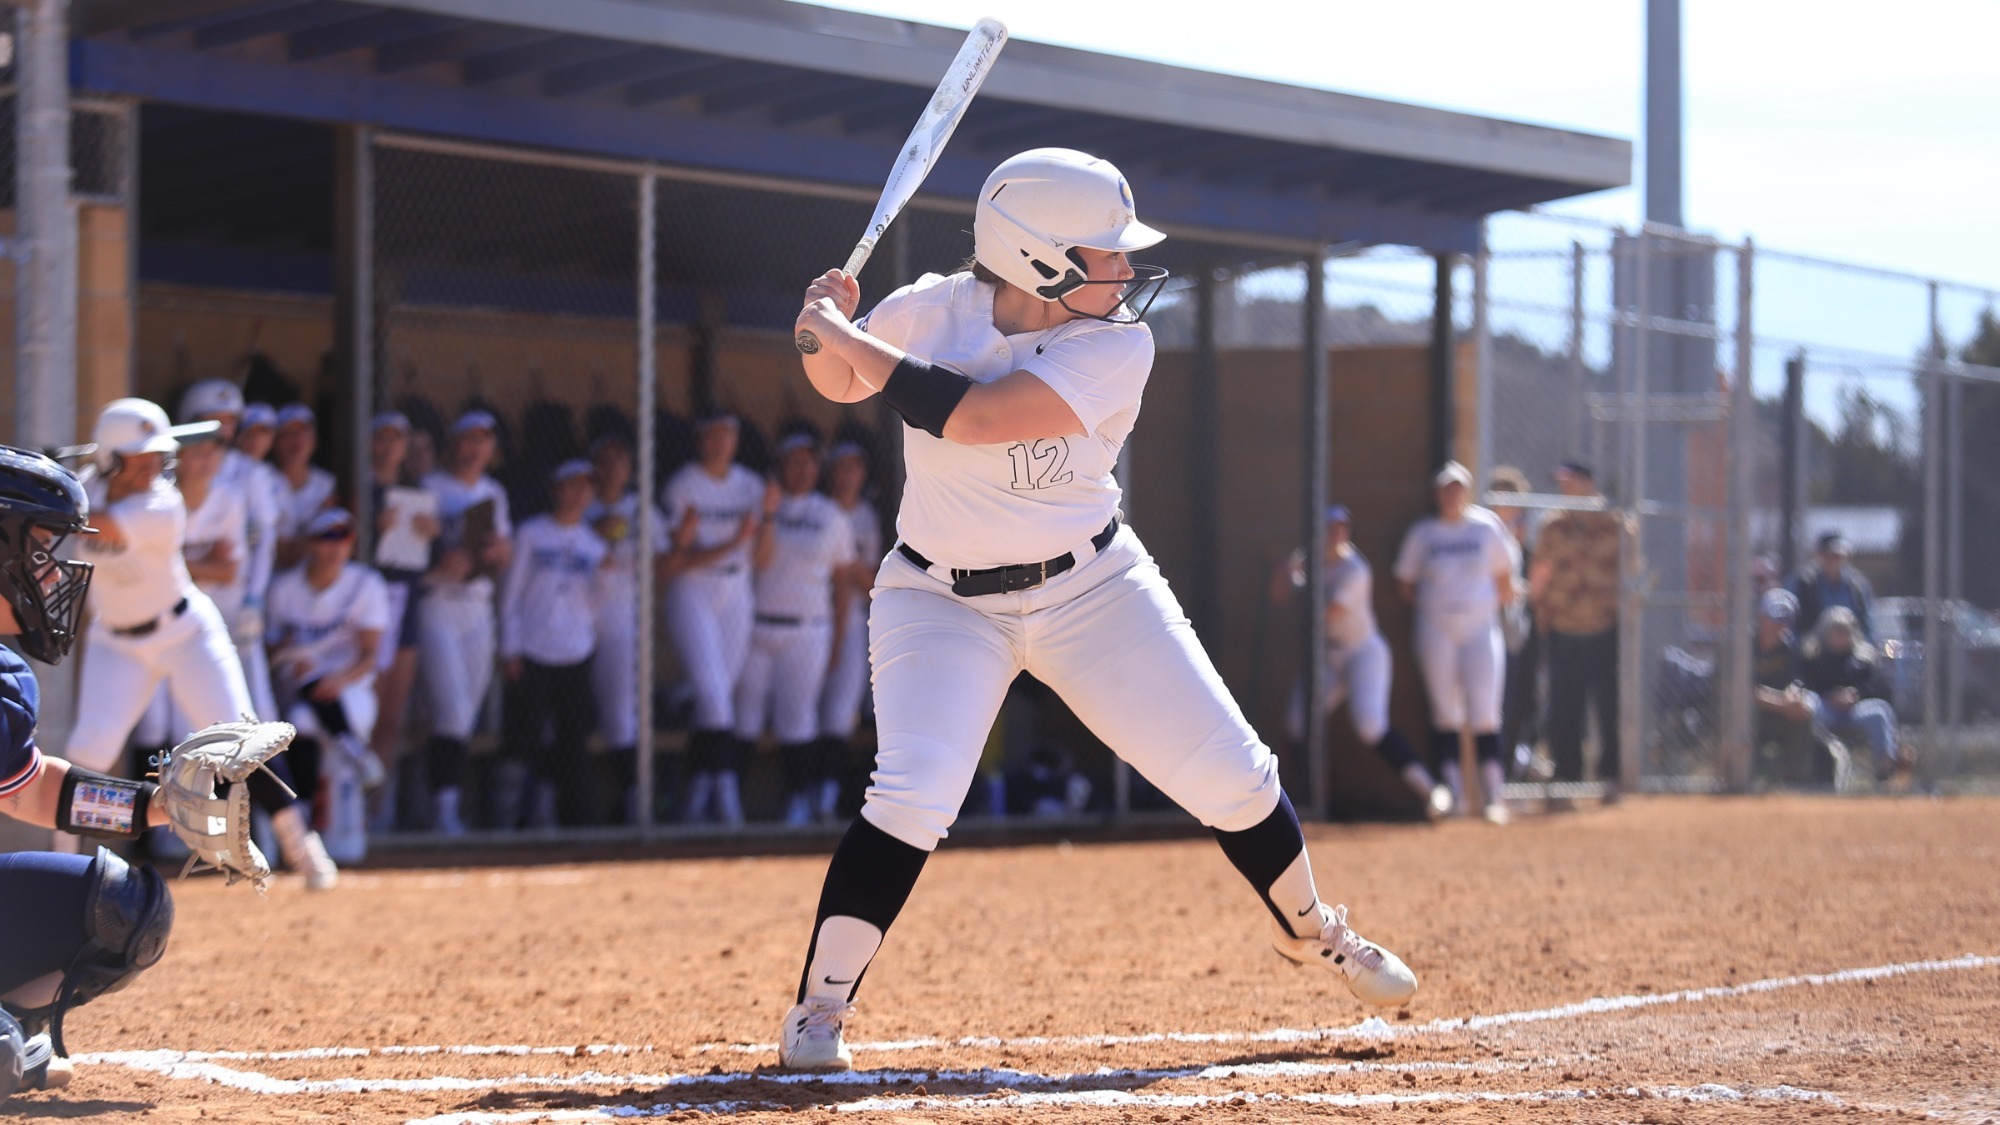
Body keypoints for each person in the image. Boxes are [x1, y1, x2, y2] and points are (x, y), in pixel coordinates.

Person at [778, 147, 1415, 1070]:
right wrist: (819, 325)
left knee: (1236, 776)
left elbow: (977, 417)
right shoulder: (925, 308)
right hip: (937, 598)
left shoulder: (1119, 344)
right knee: (914, 791)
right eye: (1107, 252)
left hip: (1091, 587)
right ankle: (818, 1009)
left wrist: (848, 336)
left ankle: (1315, 927)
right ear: (1042, 260)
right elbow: (839, 380)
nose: (1126, 268)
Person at [62, 398, 337, 888]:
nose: (152, 465)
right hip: (116, 643)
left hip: (186, 633)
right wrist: (65, 488)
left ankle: (302, 844)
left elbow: (90, 522)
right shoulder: (85, 490)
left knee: (242, 739)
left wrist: (54, 493)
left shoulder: (161, 504)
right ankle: (63, 865)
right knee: (89, 752)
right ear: (111, 458)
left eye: (156, 455)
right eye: (138, 456)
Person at [0, 446, 173, 1098]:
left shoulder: (5, 677)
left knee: (127, 909)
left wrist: (154, 806)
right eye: (42, 549)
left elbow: (29, 786)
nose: (55, 573)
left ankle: (11, 1028)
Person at [1279, 505, 1448, 817]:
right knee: (1296, 723)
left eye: (1342, 528)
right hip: (1326, 656)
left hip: (1363, 653)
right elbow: (1278, 595)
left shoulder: (1355, 569)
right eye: (1330, 527)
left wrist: (1295, 584)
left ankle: (1431, 790)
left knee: (1370, 725)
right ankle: (1294, 803)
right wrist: (1283, 576)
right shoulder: (1307, 560)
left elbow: (1328, 616)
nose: (1336, 534)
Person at [734, 434, 856, 826]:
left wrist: (837, 640)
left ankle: (798, 801)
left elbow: (841, 584)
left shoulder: (832, 516)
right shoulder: (762, 505)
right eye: (793, 461)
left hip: (809, 630)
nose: (802, 470)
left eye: (809, 462)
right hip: (757, 625)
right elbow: (760, 562)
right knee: (745, 717)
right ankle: (729, 804)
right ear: (780, 466)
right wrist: (769, 513)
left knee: (797, 717)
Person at [265, 508, 391, 863]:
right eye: (327, 538)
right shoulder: (284, 588)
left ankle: (305, 813)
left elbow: (370, 656)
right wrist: (287, 644)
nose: (336, 546)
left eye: (344, 537)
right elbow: (270, 648)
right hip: (297, 681)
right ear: (311, 544)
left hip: (350, 687)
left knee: (305, 721)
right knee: (302, 713)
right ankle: (354, 750)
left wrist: (339, 680)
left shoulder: (366, 584)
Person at [1394, 461, 1517, 824]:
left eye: (1458, 488)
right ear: (1436, 495)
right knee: (1445, 710)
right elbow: (1406, 583)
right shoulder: (1424, 534)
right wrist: (1438, 608)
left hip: (1480, 628)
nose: (1452, 496)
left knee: (1485, 712)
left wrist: (1487, 606)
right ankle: (1453, 793)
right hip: (1437, 629)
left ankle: (1494, 795)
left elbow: (1504, 576)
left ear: (1467, 492)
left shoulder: (1485, 527)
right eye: (1446, 489)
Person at [662, 412, 762, 827]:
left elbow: (760, 550)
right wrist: (727, 543)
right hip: (694, 592)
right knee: (717, 699)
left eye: (728, 437)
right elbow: (675, 561)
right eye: (713, 437)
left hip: (736, 590)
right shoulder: (683, 484)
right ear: (701, 442)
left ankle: (695, 800)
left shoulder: (751, 486)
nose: (720, 445)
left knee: (716, 702)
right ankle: (727, 802)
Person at [418, 409, 513, 835]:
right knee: (452, 711)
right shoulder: (429, 488)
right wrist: (439, 555)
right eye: (467, 439)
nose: (475, 448)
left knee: (464, 714)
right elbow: (403, 556)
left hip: (478, 606)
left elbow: (503, 553)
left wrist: (498, 552)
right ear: (454, 444)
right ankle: (445, 811)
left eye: (483, 440)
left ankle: (442, 803)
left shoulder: (496, 492)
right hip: (438, 601)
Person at [497, 460, 606, 830]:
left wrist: (604, 579)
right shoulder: (531, 533)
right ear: (556, 489)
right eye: (570, 486)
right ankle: (506, 816)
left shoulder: (595, 544)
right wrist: (510, 648)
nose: (578, 494)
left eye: (585, 487)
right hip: (531, 648)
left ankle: (567, 819)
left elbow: (596, 608)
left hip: (576, 650)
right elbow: (511, 595)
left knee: (572, 738)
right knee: (522, 735)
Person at [584, 434, 668, 823]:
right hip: (573, 620)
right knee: (565, 715)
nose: (611, 469)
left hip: (622, 618)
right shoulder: (578, 505)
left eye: (619, 461)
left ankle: (633, 800)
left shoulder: (641, 509)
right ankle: (555, 805)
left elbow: (665, 563)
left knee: (621, 713)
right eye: (604, 461)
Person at [1529, 459, 1625, 789]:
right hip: (1564, 627)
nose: (1564, 488)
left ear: (1589, 483)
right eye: (1561, 483)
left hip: (1605, 627)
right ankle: (1567, 773)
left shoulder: (1616, 523)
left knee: (1610, 705)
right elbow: (1539, 575)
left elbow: (1632, 573)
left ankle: (1611, 774)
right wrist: (1539, 617)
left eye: (1570, 482)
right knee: (1564, 706)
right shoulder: (1553, 524)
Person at [363, 411, 437, 827]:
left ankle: (379, 810)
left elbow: (428, 564)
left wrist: (435, 536)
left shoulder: (418, 495)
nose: (389, 447)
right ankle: (352, 803)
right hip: (368, 607)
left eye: (397, 439)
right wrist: (373, 529)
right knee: (365, 711)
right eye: (382, 437)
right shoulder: (359, 486)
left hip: (404, 605)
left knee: (392, 715)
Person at [813, 442, 880, 821]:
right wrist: (850, 568)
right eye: (841, 467)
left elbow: (867, 581)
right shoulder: (819, 510)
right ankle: (806, 796)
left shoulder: (866, 516)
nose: (847, 475)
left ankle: (827, 798)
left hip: (852, 618)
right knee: (806, 711)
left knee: (840, 712)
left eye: (855, 468)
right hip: (811, 613)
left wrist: (847, 566)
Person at [1800, 605, 1908, 782]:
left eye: (1846, 632)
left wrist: (1856, 695)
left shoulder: (1862, 659)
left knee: (1879, 710)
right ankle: (1815, 766)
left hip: (1853, 712)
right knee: (1810, 703)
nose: (1842, 636)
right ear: (1825, 632)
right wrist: (1830, 696)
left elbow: (1881, 690)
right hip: (1826, 710)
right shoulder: (1813, 657)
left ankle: (1886, 770)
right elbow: (1805, 686)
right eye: (1837, 631)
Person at [1751, 589, 1847, 788]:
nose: (1779, 626)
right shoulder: (1743, 645)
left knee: (1804, 712)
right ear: (1761, 617)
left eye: (1785, 621)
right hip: (1740, 716)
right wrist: (1781, 703)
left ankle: (1794, 782)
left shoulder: (1788, 648)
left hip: (1774, 712)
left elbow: (1795, 681)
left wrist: (1793, 697)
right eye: (1775, 619)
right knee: (1744, 716)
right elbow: (1742, 693)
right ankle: (1745, 778)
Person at [269, 403, 336, 570]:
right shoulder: (264, 478)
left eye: (303, 432)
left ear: (314, 439)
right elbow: (283, 553)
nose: (297, 440)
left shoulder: (326, 483)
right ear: (275, 440)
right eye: (288, 433)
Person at [1789, 532, 1876, 643]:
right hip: (1815, 650)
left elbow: (1868, 624)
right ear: (1819, 555)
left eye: (1839, 555)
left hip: (1851, 649)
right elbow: (1794, 625)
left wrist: (1868, 647)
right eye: (1829, 554)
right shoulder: (1805, 583)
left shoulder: (1857, 585)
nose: (1834, 560)